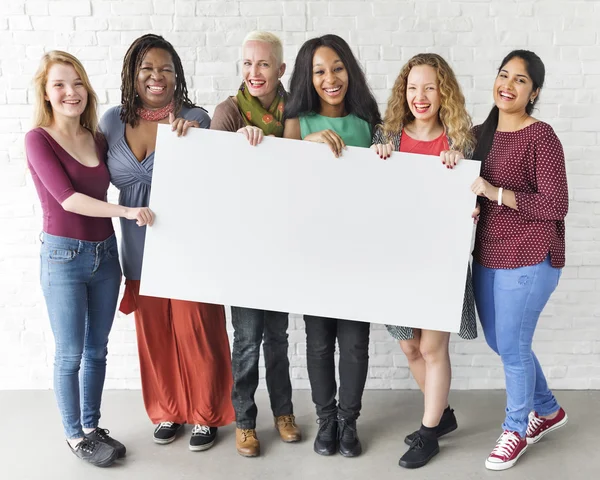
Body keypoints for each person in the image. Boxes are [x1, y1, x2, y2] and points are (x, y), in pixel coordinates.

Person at [99, 34, 235, 452]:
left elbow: (216, 183)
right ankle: (168, 409)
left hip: (188, 247)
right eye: (147, 69)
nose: (156, 76)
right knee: (154, 334)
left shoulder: (196, 118)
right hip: (138, 245)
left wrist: (194, 143)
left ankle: (206, 415)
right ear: (132, 76)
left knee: (198, 331)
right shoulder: (109, 122)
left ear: (177, 76)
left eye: (165, 69)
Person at [26, 51, 154, 467]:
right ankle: (73, 435)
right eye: (60, 85)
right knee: (69, 353)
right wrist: (128, 212)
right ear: (46, 94)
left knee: (96, 349)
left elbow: (135, 167)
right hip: (63, 257)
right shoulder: (38, 139)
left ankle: (91, 426)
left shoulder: (97, 136)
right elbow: (70, 199)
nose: (70, 92)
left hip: (105, 254)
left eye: (77, 82)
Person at [371, 53, 478, 469]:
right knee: (410, 346)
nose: (420, 96)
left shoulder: (459, 140)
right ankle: (443, 415)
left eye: (429, 88)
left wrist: (462, 182)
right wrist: (375, 164)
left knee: (433, 348)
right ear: (404, 92)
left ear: (443, 92)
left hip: (441, 260)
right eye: (412, 88)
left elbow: (474, 199)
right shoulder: (388, 138)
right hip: (398, 260)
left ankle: (429, 434)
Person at [470, 50, 569, 471]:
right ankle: (548, 409)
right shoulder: (479, 133)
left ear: (534, 92)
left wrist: (494, 193)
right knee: (502, 342)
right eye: (503, 75)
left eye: (520, 80)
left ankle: (516, 428)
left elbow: (556, 204)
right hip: (488, 252)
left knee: (512, 344)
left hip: (531, 254)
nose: (507, 85)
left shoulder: (540, 136)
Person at [283, 34, 381, 458]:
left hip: (358, 248)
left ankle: (348, 420)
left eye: (337, 68)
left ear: (350, 70)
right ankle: (326, 419)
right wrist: (308, 144)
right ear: (308, 77)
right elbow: (277, 173)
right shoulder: (297, 122)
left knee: (356, 342)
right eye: (319, 71)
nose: (330, 78)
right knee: (320, 341)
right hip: (314, 250)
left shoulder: (367, 121)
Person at [210, 31, 301, 458]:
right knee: (246, 339)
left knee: (278, 338)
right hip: (244, 248)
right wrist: (239, 149)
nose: (254, 72)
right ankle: (245, 420)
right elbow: (218, 178)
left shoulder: (295, 110)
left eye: (263, 64)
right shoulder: (229, 112)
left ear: (280, 69)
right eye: (247, 64)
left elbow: (303, 170)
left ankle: (284, 412)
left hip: (282, 244)